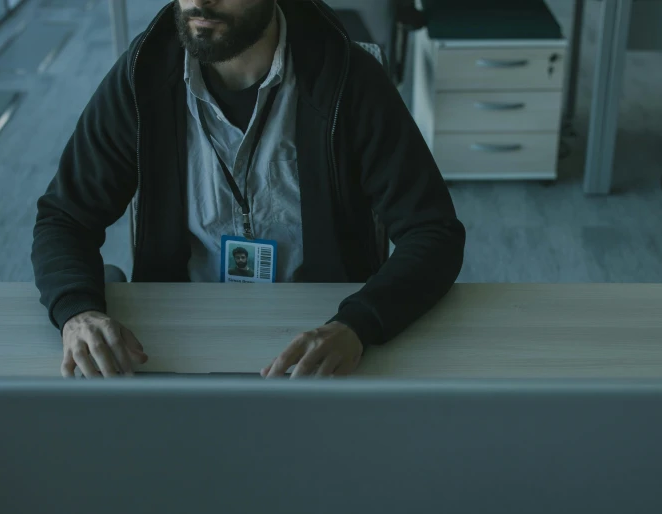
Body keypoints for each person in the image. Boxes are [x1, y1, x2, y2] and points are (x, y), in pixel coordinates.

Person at [32, 0, 465, 379]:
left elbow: (433, 232)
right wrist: (77, 310)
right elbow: (64, 218)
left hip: (320, 344)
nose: (199, 1)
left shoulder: (349, 80)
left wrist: (358, 324)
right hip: (174, 343)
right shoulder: (142, 77)